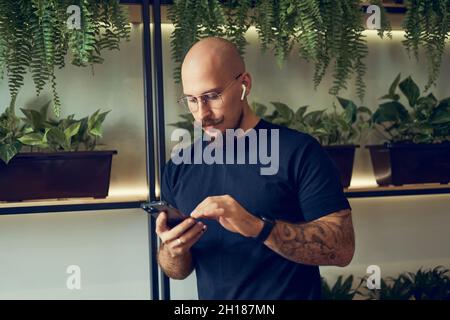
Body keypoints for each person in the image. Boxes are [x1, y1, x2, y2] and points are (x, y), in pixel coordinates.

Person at [156, 37, 355, 300]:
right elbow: (177, 271)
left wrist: (256, 226)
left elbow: (342, 249)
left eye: (212, 96)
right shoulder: (179, 167)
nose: (201, 113)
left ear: (244, 85)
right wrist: (173, 251)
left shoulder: (299, 152)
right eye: (191, 100)